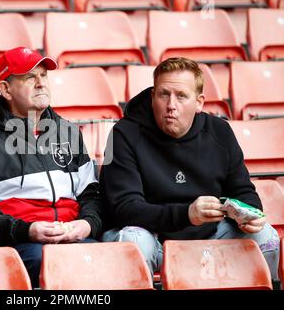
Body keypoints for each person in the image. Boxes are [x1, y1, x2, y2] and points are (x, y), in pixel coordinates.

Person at [100, 57, 280, 280]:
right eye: (163, 94)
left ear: (199, 102)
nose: (171, 105)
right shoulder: (124, 134)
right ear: (153, 95)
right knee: (132, 241)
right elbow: (124, 208)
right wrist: (187, 214)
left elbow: (243, 191)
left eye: (181, 96)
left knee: (266, 236)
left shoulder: (219, 132)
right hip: (154, 239)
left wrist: (249, 213)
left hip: (212, 235)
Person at [0, 46, 103, 287]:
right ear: (5, 89)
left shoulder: (69, 133)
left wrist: (86, 224)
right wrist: (28, 230)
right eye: (29, 77)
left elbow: (92, 195)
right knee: (50, 263)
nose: (40, 83)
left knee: (106, 260)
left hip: (73, 237)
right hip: (21, 242)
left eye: (44, 75)